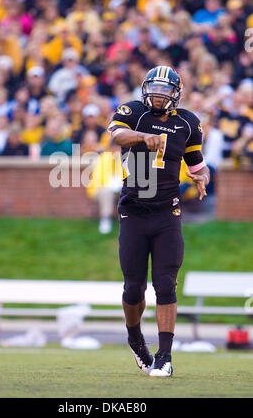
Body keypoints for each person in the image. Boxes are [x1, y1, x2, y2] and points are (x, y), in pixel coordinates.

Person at [108, 66, 210, 377]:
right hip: (134, 211)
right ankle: (136, 338)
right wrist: (143, 136)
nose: (158, 93)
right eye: (154, 87)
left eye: (165, 89)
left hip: (168, 212)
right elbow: (116, 135)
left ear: (176, 93)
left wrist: (203, 177)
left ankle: (164, 356)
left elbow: (198, 164)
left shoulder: (189, 123)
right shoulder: (134, 111)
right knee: (133, 288)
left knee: (166, 284)